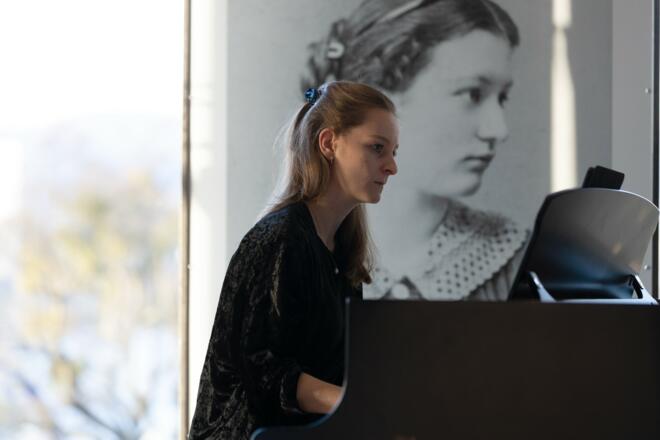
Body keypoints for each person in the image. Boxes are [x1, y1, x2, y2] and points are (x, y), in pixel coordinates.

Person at [188, 81, 399, 439]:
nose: (391, 166)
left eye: (393, 152)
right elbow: (262, 371)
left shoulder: (342, 254)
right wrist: (353, 401)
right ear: (329, 143)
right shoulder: (279, 238)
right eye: (377, 148)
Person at [302, 0, 527, 301]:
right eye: (473, 94)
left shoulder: (514, 259)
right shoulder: (296, 250)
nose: (498, 130)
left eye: (502, 98)